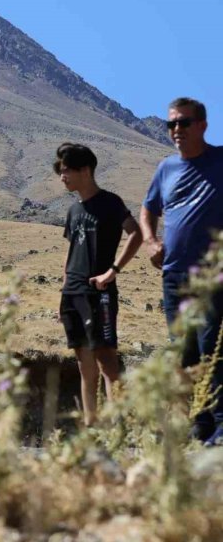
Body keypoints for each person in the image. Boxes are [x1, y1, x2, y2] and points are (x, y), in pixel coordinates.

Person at [140, 97, 223, 446]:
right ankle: (199, 426)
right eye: (171, 124)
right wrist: (149, 241)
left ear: (202, 125)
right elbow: (148, 209)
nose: (176, 130)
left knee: (211, 349)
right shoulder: (166, 169)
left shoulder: (220, 160)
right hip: (173, 276)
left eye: (184, 123)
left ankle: (220, 426)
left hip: (211, 276)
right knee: (183, 351)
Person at [54, 143, 143, 427]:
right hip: (73, 294)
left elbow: (136, 233)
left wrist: (112, 271)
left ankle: (120, 428)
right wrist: (65, 289)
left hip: (99, 293)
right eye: (60, 171)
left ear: (86, 170)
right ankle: (91, 426)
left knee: (107, 361)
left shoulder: (110, 203)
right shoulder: (73, 211)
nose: (62, 176)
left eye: (66, 170)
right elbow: (73, 252)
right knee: (84, 364)